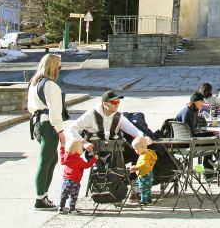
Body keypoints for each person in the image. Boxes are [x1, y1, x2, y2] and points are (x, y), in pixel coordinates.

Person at [28, 53, 67, 210]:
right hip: (48, 125)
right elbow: (55, 111)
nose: (60, 69)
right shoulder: (51, 85)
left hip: (37, 124)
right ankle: (40, 198)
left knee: (51, 160)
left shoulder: (34, 83)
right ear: (53, 67)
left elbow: (30, 107)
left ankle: (43, 195)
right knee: (46, 161)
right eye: (59, 66)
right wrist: (60, 131)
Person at [68, 90, 150, 154]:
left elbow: (132, 129)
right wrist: (84, 143)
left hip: (115, 150)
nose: (117, 104)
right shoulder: (91, 115)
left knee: (137, 153)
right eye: (113, 102)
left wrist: (142, 137)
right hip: (95, 151)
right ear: (104, 104)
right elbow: (71, 129)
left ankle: (135, 175)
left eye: (118, 102)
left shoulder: (118, 116)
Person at [57, 137, 97, 214]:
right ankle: (72, 209)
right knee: (73, 196)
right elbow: (87, 165)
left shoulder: (66, 157)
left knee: (63, 195)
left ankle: (61, 208)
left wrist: (62, 147)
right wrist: (94, 159)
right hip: (75, 181)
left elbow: (62, 157)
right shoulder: (78, 160)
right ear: (78, 150)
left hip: (65, 181)